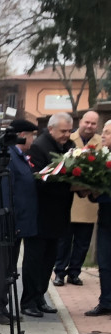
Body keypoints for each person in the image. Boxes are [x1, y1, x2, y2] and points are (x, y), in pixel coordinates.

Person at [0, 119, 39, 325]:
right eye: (32, 135)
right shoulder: (6, 157)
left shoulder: (18, 156)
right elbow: (1, 191)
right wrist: (8, 221)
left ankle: (1, 306)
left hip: (14, 225)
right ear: (22, 135)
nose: (33, 139)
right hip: (1, 225)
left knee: (7, 269)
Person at [22, 112, 75, 317]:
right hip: (40, 215)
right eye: (63, 131)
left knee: (49, 260)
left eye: (69, 131)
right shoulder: (39, 148)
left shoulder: (69, 147)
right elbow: (39, 181)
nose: (67, 134)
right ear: (51, 129)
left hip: (59, 215)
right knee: (35, 260)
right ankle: (27, 300)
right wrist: (69, 187)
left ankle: (40, 296)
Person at [54, 110, 101, 287]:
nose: (89, 126)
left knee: (83, 242)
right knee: (64, 241)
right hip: (70, 201)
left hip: (88, 201)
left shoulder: (100, 143)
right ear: (80, 122)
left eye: (93, 124)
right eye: (87, 122)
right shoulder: (69, 139)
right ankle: (59, 272)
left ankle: (74, 272)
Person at [85, 119, 111, 317]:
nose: (103, 135)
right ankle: (106, 302)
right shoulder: (102, 157)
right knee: (104, 263)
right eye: (103, 131)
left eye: (108, 133)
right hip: (105, 220)